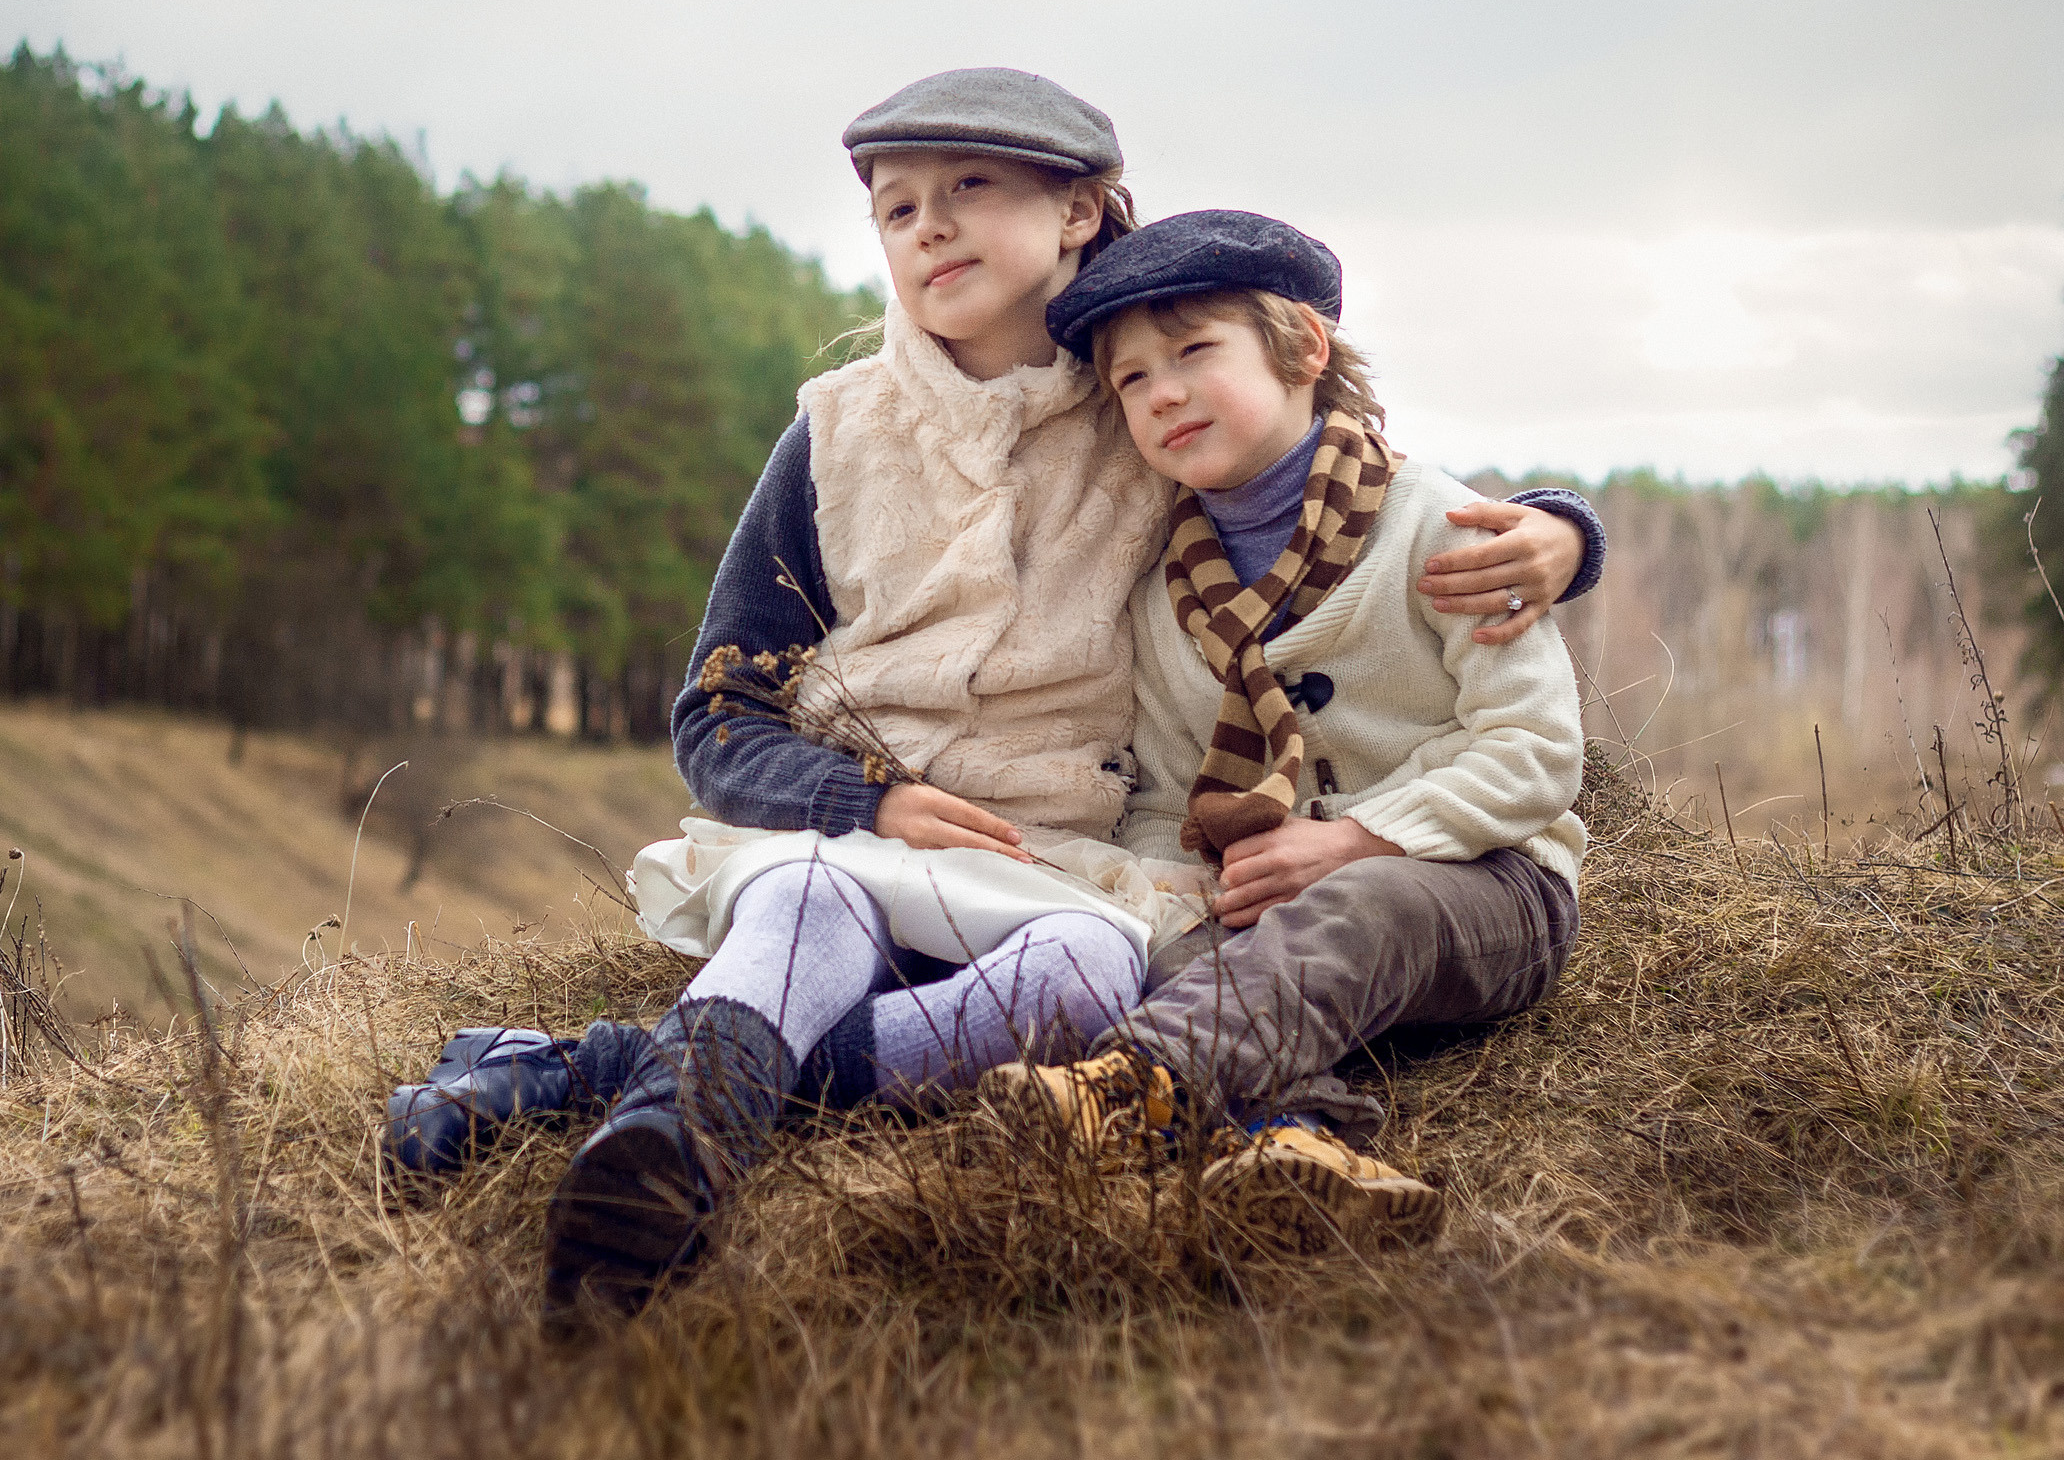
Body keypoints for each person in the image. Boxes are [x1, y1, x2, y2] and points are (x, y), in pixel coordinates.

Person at [378, 72, 1602, 1317]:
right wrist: (863, 800)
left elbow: (1330, 472)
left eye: (970, 188)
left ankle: (591, 1072)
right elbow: (716, 705)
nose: (929, 227)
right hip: (847, 843)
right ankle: (670, 1144)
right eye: (896, 210)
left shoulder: (1138, 424)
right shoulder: (839, 435)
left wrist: (1560, 534)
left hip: (1047, 865)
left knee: (1086, 978)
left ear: (1081, 212)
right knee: (815, 901)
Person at [983, 210, 1589, 1255]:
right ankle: (1298, 1143)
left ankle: (1127, 1092)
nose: (1160, 391)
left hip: (1482, 887)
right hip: (1282, 908)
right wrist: (1198, 895)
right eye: (1129, 380)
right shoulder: (1164, 596)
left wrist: (1356, 837)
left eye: (1192, 352)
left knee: (1359, 904)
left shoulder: (1442, 530)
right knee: (1181, 959)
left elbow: (1533, 752)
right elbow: (1171, 802)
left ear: (1304, 349)